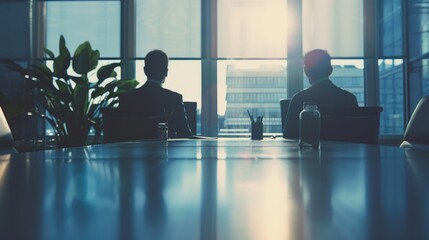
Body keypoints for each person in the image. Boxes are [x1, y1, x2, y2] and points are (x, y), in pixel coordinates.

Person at [283, 49, 358, 139]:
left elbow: (289, 135)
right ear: (330, 70)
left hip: (309, 152)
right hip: (345, 152)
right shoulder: (349, 98)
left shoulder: (300, 99)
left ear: (306, 71)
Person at [119, 49, 192, 138]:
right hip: (166, 150)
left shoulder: (127, 98)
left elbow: (121, 135)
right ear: (166, 72)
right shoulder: (175, 98)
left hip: (135, 151)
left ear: (145, 71)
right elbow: (185, 134)